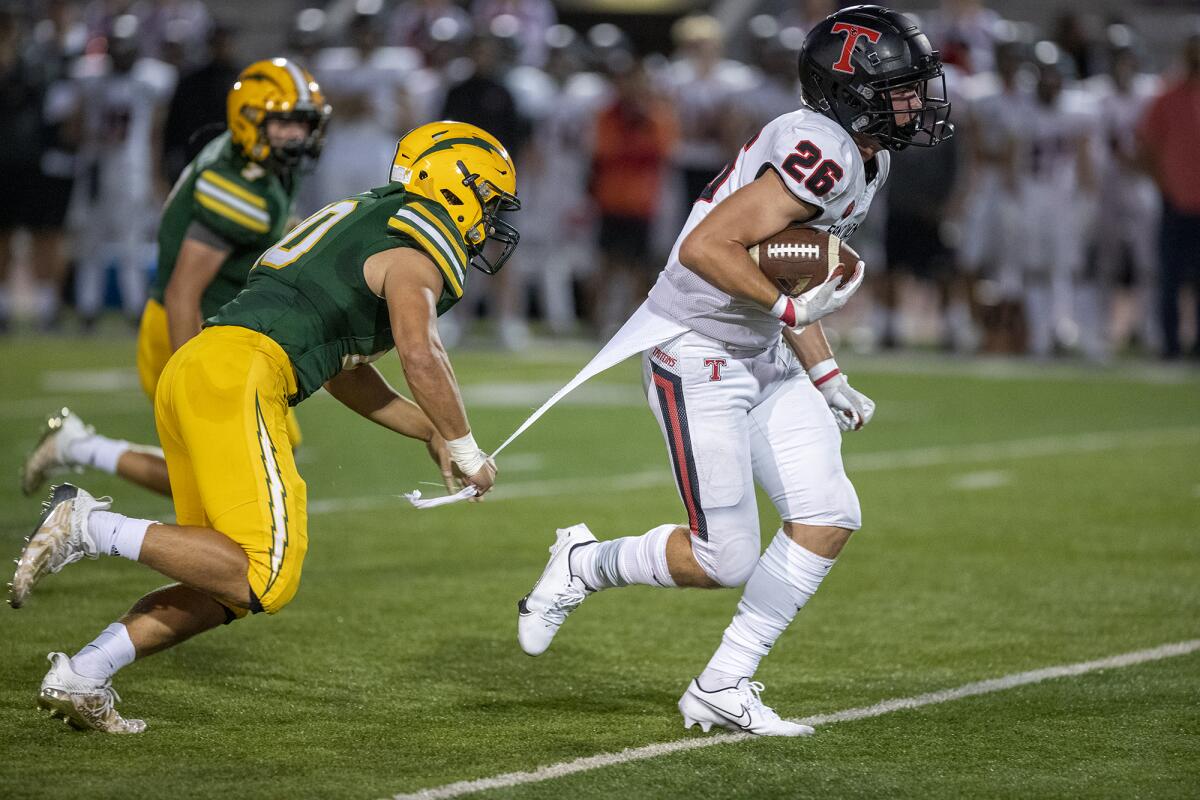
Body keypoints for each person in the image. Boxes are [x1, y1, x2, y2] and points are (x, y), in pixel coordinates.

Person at [516, 5, 952, 736]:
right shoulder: (823, 148)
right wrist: (791, 321)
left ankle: (723, 684)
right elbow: (709, 248)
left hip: (761, 350)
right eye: (902, 87)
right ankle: (584, 562)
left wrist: (826, 373)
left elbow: (793, 280)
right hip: (699, 348)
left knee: (828, 513)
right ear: (851, 90)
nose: (917, 101)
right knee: (724, 559)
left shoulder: (862, 152)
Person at [8, 121, 519, 733]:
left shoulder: (366, 217)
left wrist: (429, 431)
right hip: (242, 372)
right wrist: (464, 446)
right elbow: (420, 350)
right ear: (455, 187)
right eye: (489, 203)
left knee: (225, 581)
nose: (491, 223)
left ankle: (84, 674)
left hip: (202, 367)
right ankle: (88, 524)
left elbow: (342, 372)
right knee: (267, 572)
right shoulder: (418, 240)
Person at [21, 58, 330, 500]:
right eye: (285, 122)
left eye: (304, 122)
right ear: (249, 120)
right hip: (184, 331)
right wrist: (192, 378)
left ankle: (77, 446)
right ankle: (84, 482)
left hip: (220, 334)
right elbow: (183, 291)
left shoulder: (255, 164)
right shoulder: (238, 188)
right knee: (226, 481)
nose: (298, 135)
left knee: (263, 463)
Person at [1138, 31, 1200, 361]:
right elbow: (1147, 147)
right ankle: (1171, 345)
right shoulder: (1167, 95)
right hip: (1176, 201)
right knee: (1171, 277)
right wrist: (1165, 185)